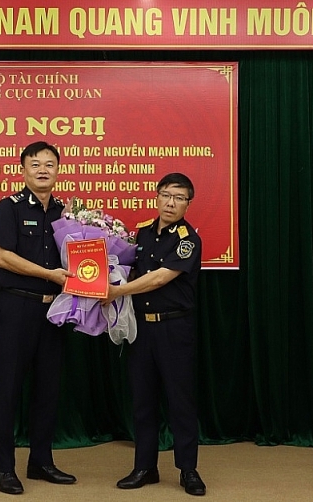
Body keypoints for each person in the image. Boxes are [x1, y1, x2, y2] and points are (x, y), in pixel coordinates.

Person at [103, 172, 206, 496]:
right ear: (156, 197)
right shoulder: (143, 233)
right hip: (142, 329)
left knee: (180, 402)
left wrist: (115, 293)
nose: (170, 202)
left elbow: (160, 278)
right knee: (143, 401)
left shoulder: (188, 239)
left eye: (179, 198)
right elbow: (127, 267)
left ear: (188, 203)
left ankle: (188, 470)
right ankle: (144, 467)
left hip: (174, 328)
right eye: (165, 195)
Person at [0, 141, 76, 495]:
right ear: (22, 169)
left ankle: (40, 461)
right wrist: (50, 273)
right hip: (17, 306)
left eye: (50, 164)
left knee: (48, 388)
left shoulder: (66, 213)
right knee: (7, 389)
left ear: (58, 170)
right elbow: (3, 258)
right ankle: (3, 469)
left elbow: (79, 256)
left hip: (54, 309)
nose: (43, 169)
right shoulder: (8, 208)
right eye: (35, 163)